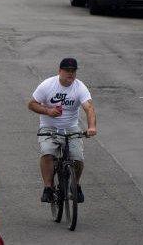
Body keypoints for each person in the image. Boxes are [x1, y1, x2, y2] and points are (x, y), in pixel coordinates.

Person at [29, 57, 97, 204]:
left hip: (71, 127)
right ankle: (48, 188)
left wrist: (91, 127)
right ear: (60, 71)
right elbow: (32, 104)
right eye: (67, 71)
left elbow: (89, 108)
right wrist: (48, 111)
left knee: (78, 157)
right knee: (47, 152)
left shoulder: (79, 87)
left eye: (73, 71)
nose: (70, 74)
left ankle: (76, 185)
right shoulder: (47, 85)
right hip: (49, 127)